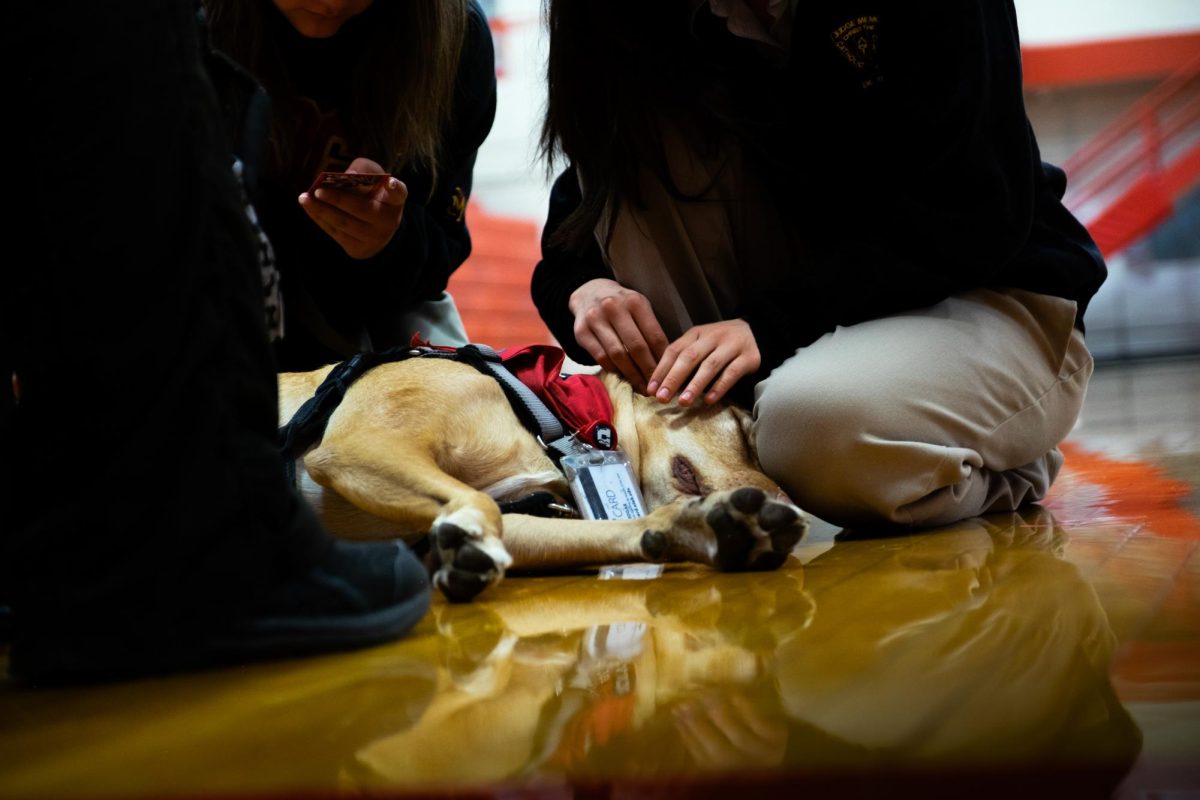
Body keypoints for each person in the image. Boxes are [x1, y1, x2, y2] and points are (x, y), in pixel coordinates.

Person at [532, 0, 1106, 528]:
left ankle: (996, 465)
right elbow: (592, 198)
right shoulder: (687, 21)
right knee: (646, 134)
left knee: (805, 427)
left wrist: (771, 324)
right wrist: (584, 288)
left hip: (997, 296)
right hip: (828, 320)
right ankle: (708, 439)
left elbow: (978, 216)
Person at [1, 0, 431, 684]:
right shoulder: (210, 23)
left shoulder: (444, 49)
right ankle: (192, 544)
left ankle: (84, 554)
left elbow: (431, 262)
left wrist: (393, 241)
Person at [202, 0, 498, 370]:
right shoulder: (174, 23)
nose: (333, 2)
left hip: (372, 311)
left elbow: (441, 247)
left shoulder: (454, 36)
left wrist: (389, 241)